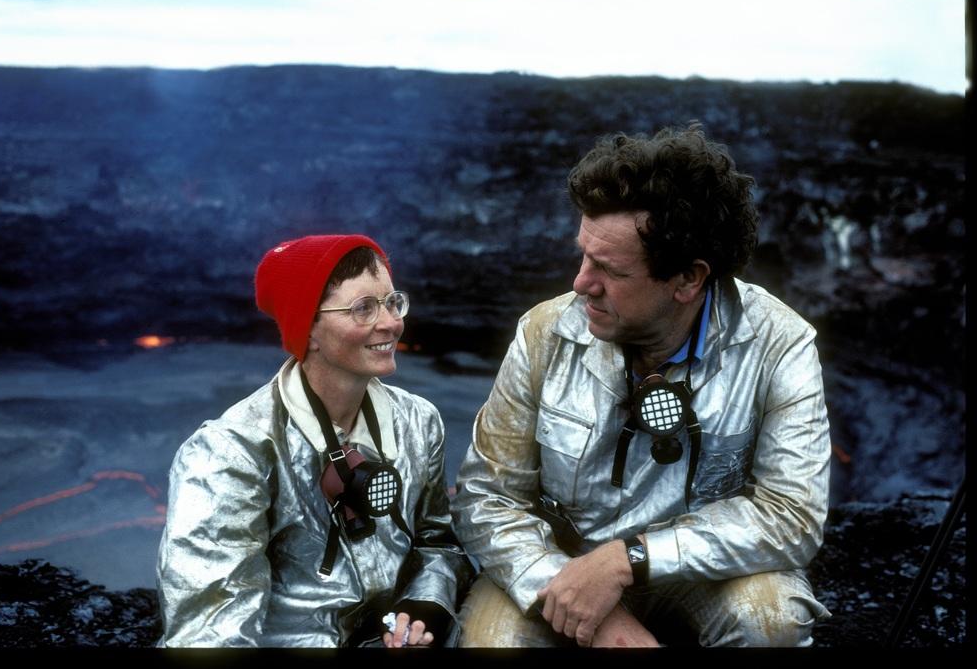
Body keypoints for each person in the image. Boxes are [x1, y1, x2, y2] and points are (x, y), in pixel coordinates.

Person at [450, 124, 832, 647]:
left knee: (772, 623)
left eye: (609, 268)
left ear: (687, 279)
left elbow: (793, 516)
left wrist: (631, 560)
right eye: (584, 256)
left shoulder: (779, 343)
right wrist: (584, 600)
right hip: (561, 565)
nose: (582, 282)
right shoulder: (542, 334)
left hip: (703, 572)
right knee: (493, 642)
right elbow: (486, 498)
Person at [157, 234, 473, 647]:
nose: (392, 323)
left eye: (392, 302)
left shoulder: (418, 420)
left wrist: (425, 605)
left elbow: (437, 542)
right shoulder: (230, 453)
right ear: (307, 330)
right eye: (363, 309)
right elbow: (210, 627)